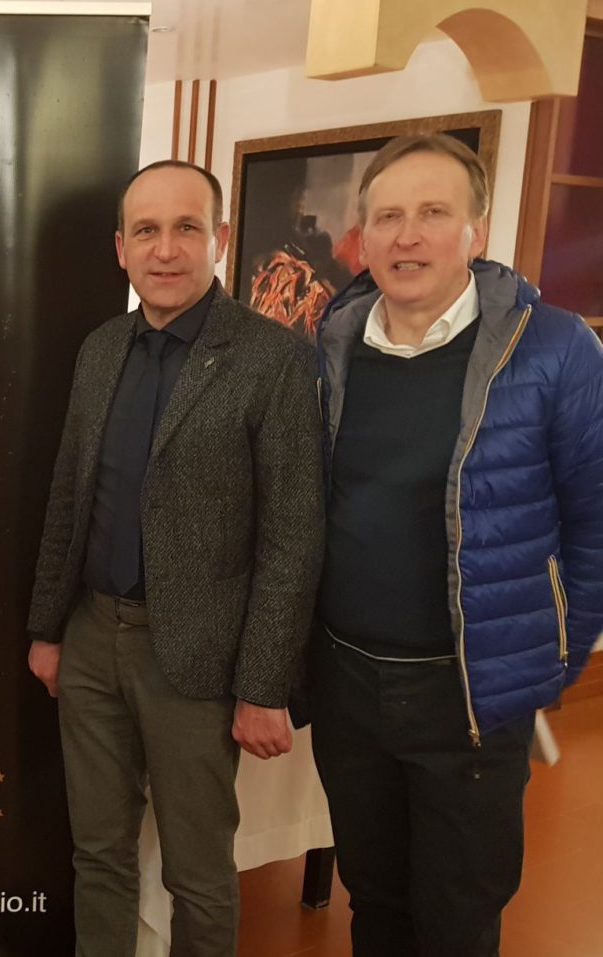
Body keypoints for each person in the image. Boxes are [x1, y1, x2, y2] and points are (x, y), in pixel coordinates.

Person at [311, 133, 603, 956]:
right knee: (373, 899)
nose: (407, 236)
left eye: (433, 213)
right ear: (362, 237)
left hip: (469, 695)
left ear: (476, 230)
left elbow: (595, 522)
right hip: (348, 685)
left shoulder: (554, 349)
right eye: (388, 217)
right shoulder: (331, 346)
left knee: (458, 916)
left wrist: (554, 655)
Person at [26, 160, 324, 956]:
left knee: (197, 872)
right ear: (120, 247)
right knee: (98, 853)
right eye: (147, 231)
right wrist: (48, 628)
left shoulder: (272, 359)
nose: (166, 249)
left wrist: (262, 685)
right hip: (91, 640)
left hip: (198, 656)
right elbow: (68, 498)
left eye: (186, 228)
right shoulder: (100, 350)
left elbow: (292, 536)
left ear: (218, 238)